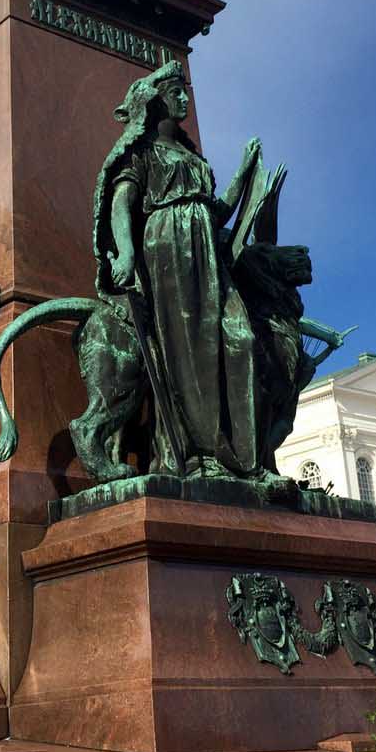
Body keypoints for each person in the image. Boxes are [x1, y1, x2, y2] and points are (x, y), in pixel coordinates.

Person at [94, 60, 263, 482]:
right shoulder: (143, 151)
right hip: (168, 248)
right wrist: (126, 254)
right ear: (156, 101)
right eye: (176, 93)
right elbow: (121, 203)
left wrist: (244, 173)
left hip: (206, 253)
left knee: (239, 338)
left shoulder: (193, 157)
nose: (185, 99)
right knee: (186, 353)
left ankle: (242, 458)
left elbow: (216, 212)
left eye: (186, 91)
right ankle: (198, 453)